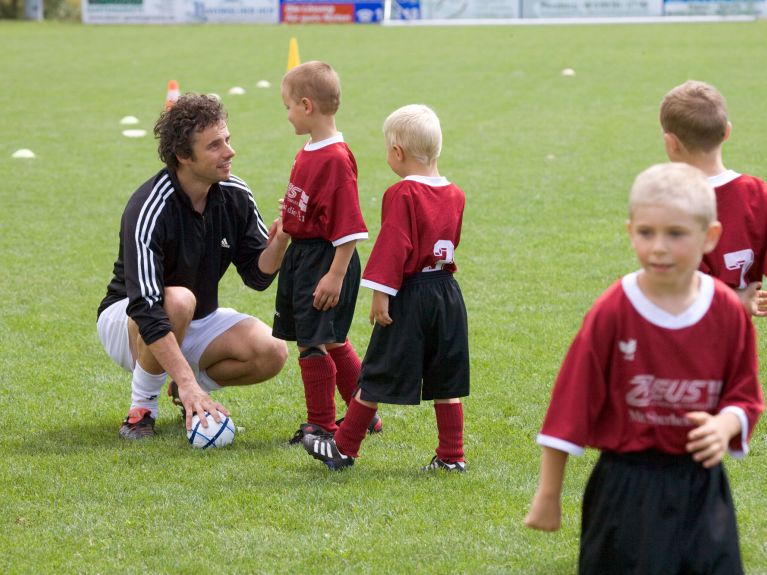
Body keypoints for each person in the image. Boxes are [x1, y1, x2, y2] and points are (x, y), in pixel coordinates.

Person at [524, 163, 764, 574]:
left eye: (676, 234)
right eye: (646, 233)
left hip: (701, 486)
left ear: (710, 237)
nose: (658, 247)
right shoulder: (613, 310)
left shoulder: (727, 312)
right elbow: (572, 402)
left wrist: (725, 425)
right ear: (630, 230)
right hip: (624, 487)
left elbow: (744, 393)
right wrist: (549, 493)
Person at [97, 93, 290, 439]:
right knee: (178, 301)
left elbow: (257, 275)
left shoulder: (235, 193)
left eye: (227, 140)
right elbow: (146, 306)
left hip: (195, 316)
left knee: (272, 351)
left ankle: (183, 387)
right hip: (129, 321)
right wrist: (188, 382)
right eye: (215, 145)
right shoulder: (149, 207)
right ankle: (142, 409)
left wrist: (281, 240)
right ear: (184, 156)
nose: (229, 151)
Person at [302, 104, 469, 471]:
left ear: (398, 153)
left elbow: (395, 246)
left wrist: (381, 296)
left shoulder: (402, 194)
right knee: (447, 379)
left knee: (375, 372)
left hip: (410, 295)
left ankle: (344, 448)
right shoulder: (456, 194)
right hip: (447, 293)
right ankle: (452, 457)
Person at [273, 60, 381, 444]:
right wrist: (286, 221)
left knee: (313, 342)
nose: (286, 115)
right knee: (329, 337)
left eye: (287, 106)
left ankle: (322, 424)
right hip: (304, 256)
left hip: (325, 259)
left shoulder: (335, 158)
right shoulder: (311, 148)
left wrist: (335, 274)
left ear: (306, 106)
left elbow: (349, 225)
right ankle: (364, 413)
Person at [660, 79, 767, 317]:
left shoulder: (670, 202)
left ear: (671, 142)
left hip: (687, 334)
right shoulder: (759, 193)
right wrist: (740, 299)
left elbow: (680, 289)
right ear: (727, 131)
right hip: (738, 335)